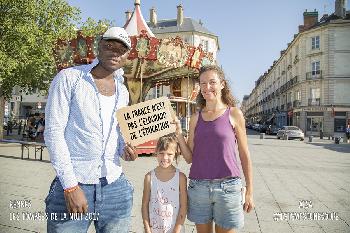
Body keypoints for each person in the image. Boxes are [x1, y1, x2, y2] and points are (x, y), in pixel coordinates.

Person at [44, 26, 138, 233]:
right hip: (75, 183)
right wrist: (70, 186)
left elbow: (117, 130)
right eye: (109, 45)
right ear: (98, 47)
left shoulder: (122, 91)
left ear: (126, 56)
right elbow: (53, 132)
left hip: (115, 186)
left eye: (121, 49)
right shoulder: (69, 78)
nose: (115, 52)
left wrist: (125, 148)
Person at [175, 65, 254, 233]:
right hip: (199, 188)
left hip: (228, 188)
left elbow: (244, 154)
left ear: (222, 84)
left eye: (212, 82)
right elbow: (190, 158)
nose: (207, 87)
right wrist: (178, 134)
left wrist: (249, 191)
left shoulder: (234, 114)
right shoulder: (195, 118)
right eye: (202, 83)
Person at [141, 133, 187, 233]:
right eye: (161, 153)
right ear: (156, 152)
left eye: (169, 154)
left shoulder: (181, 178)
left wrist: (176, 230)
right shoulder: (149, 177)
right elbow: (144, 205)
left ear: (175, 153)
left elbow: (184, 206)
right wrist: (147, 229)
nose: (165, 157)